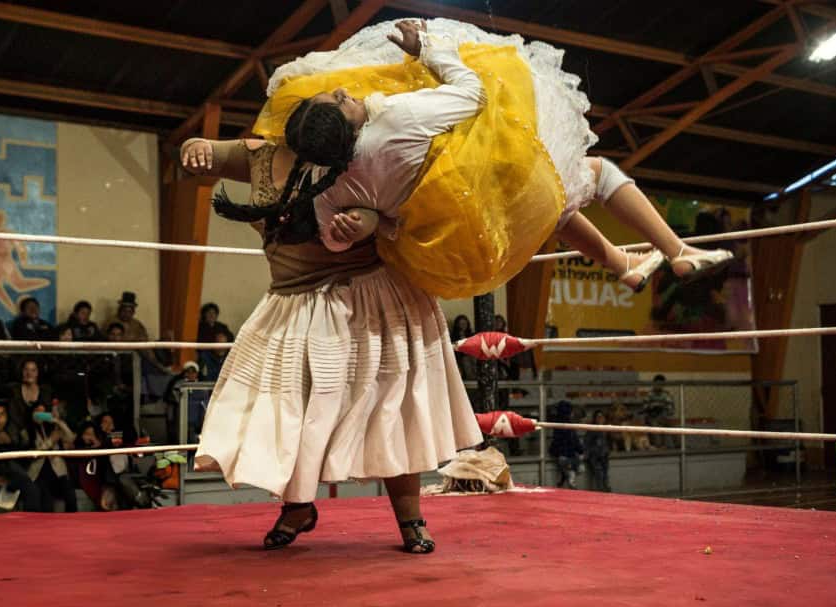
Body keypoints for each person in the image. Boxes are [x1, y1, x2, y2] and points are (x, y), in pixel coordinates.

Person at [181, 84, 482, 555]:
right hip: (292, 301)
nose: (339, 92)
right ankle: (297, 507)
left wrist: (374, 223)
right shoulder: (261, 155)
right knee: (288, 414)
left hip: (370, 298)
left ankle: (411, 519)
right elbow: (206, 153)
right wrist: (194, 148)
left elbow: (413, 222)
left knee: (390, 410)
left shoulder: (367, 160)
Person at [246, 19, 730, 299]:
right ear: (348, 121)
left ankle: (620, 262)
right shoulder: (395, 118)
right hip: (476, 191)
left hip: (456, 241)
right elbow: (471, 94)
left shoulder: (328, 185)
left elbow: (334, 240)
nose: (342, 89)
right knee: (595, 173)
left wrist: (369, 223)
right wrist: (431, 51)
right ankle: (678, 250)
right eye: (340, 99)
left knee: (556, 199)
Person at [24, 401, 77, 513]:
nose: (40, 414)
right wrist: (50, 441)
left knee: (70, 497)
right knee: (47, 504)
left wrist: (59, 421)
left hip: (58, 470)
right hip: (39, 472)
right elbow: (32, 455)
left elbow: (71, 438)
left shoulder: (53, 428)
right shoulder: (26, 432)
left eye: (43, 412)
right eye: (37, 412)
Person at [8, 359, 52, 432]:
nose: (29, 373)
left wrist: (42, 415)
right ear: (21, 371)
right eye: (26, 369)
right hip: (18, 432)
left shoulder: (45, 391)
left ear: (37, 373)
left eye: (33, 370)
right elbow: (12, 416)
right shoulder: (14, 390)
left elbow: (50, 416)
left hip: (42, 433)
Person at [550, 401, 583, 488]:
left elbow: (555, 441)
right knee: (569, 470)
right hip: (567, 456)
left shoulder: (557, 424)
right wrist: (581, 450)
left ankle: (565, 480)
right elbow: (575, 440)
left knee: (566, 471)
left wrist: (553, 451)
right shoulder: (567, 425)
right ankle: (570, 479)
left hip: (563, 455)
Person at [643, 375, 676, 449]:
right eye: (657, 384)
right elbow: (645, 407)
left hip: (664, 416)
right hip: (652, 417)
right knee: (655, 425)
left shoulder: (666, 395)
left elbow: (671, 408)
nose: (659, 386)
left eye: (661, 384)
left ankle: (679, 446)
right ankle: (659, 446)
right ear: (654, 384)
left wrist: (664, 410)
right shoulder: (649, 395)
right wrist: (653, 406)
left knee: (674, 426)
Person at [585, 409, 611, 492]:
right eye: (599, 417)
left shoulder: (606, 429)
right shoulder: (592, 429)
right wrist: (591, 452)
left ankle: (606, 489)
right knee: (599, 474)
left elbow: (607, 442)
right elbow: (587, 443)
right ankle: (601, 490)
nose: (601, 419)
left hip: (604, 455)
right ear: (595, 418)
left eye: (602, 417)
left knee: (605, 474)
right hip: (595, 456)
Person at [450, 315, 476, 381]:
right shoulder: (454, 336)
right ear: (457, 325)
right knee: (466, 360)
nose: (463, 325)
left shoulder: (471, 334)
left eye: (464, 323)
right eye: (461, 324)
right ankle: (470, 377)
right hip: (460, 355)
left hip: (472, 354)